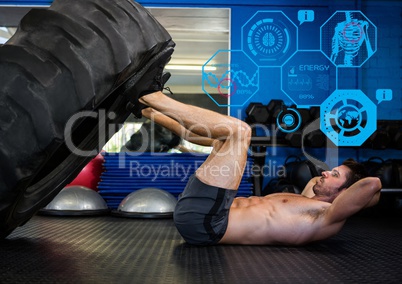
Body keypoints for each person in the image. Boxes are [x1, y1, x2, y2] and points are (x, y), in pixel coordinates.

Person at [136, 91, 382, 246]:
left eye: (335, 175)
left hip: (209, 224)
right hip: (204, 213)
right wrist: (338, 178)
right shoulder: (308, 196)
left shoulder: (325, 217)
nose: (326, 172)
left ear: (344, 194)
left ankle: (153, 95)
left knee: (241, 131)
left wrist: (358, 196)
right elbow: (347, 188)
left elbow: (372, 185)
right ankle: (147, 109)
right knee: (221, 138)